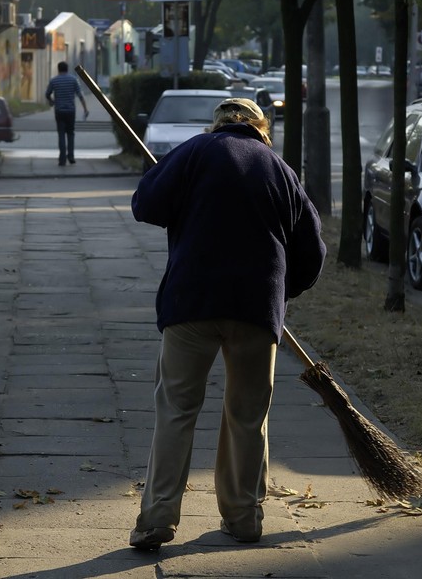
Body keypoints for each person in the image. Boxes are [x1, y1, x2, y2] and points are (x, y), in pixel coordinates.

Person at [128, 98, 326, 550]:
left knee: (176, 409)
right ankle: (243, 518)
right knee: (247, 414)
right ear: (261, 131)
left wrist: (179, 198)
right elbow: (312, 253)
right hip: (256, 309)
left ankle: (157, 518)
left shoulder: (195, 151)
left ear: (217, 126)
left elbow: (145, 204)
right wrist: (281, 290)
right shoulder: (280, 170)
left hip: (191, 302)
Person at [44, 61, 89, 166]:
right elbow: (80, 95)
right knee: (70, 134)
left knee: (61, 134)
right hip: (70, 111)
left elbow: (47, 94)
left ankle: (62, 159)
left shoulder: (54, 81)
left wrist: (52, 101)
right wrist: (85, 109)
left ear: (58, 69)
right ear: (67, 69)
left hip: (59, 111)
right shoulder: (73, 80)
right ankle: (71, 156)